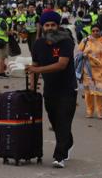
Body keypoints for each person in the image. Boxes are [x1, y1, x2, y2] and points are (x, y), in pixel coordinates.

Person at [26, 11, 77, 169]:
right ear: (42, 26)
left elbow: (61, 65)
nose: (49, 28)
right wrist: (32, 89)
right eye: (47, 25)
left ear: (58, 26)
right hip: (50, 90)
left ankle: (59, 156)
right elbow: (34, 67)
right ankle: (67, 142)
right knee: (55, 121)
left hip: (67, 89)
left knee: (63, 120)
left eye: (52, 25)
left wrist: (38, 69)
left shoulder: (66, 42)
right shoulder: (38, 44)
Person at [78, 24, 102, 119]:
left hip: (100, 71)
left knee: (98, 92)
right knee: (88, 92)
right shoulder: (86, 41)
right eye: (93, 31)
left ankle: (99, 111)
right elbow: (79, 53)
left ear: (100, 31)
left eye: (97, 30)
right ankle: (89, 111)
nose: (95, 32)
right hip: (87, 70)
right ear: (91, 32)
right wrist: (85, 54)